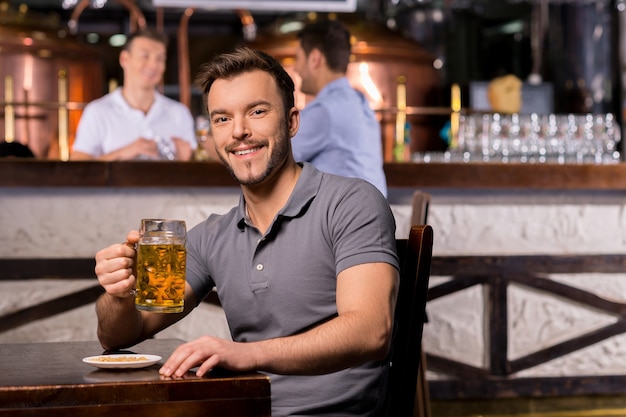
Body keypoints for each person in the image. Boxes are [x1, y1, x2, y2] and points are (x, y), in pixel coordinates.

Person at [93, 47, 399, 417]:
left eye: (257, 111)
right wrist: (121, 292)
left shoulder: (350, 203)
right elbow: (121, 334)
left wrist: (244, 354)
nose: (239, 131)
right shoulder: (212, 236)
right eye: (222, 118)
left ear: (291, 122)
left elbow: (371, 331)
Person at [291, 19, 388, 197]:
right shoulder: (360, 103)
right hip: (369, 219)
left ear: (315, 59)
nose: (296, 68)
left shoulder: (326, 111)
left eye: (298, 58)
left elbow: (273, 157)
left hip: (347, 223)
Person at [70, 29, 196, 161]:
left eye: (160, 59)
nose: (153, 65)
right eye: (145, 56)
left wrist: (185, 161)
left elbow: (194, 168)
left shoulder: (179, 113)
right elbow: (78, 167)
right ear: (124, 59)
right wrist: (123, 153)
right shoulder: (98, 111)